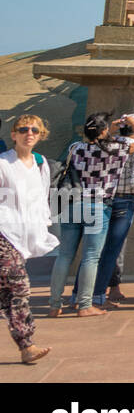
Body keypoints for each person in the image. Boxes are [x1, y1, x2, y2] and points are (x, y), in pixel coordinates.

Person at [48, 113, 134, 318]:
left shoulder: (75, 148)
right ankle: (85, 305)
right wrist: (130, 124)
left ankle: (54, 304)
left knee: (65, 255)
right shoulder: (115, 150)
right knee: (91, 257)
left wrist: (106, 128)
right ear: (103, 131)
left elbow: (96, 137)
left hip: (72, 205)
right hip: (97, 206)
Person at [0, 115, 59, 363]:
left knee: (7, 295)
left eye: (35, 129)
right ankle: (27, 345)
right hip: (4, 233)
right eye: (23, 129)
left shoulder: (40, 163)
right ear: (13, 135)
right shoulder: (3, 164)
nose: (29, 133)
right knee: (19, 286)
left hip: (23, 237)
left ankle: (25, 347)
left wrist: (43, 224)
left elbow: (42, 196)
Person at [92, 112, 134, 309]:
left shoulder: (105, 144)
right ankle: (103, 293)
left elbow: (95, 140)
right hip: (123, 200)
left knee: (93, 250)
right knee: (114, 249)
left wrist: (112, 128)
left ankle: (83, 294)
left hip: (100, 199)